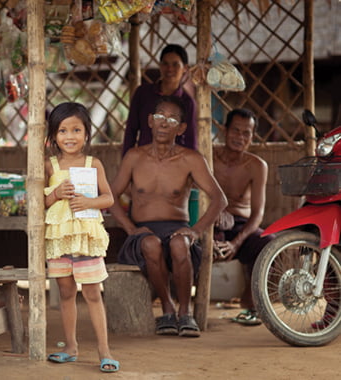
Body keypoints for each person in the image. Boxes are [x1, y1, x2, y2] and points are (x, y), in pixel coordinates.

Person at [109, 95, 227, 337]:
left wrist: (196, 230)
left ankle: (185, 313)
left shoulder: (190, 159)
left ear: (182, 128)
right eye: (160, 117)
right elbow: (110, 198)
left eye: (172, 119)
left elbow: (219, 198)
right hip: (142, 232)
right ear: (150, 121)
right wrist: (131, 229)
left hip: (177, 228)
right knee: (151, 245)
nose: (164, 123)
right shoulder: (134, 156)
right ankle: (166, 308)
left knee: (179, 244)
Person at [44, 102, 119, 373]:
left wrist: (89, 201)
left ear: (87, 133)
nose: (70, 136)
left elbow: (109, 198)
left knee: (92, 293)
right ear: (53, 136)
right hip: (59, 238)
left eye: (76, 129)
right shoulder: (49, 166)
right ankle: (71, 347)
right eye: (63, 131)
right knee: (65, 292)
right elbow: (39, 202)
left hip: (86, 235)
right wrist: (56, 194)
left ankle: (104, 350)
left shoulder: (93, 164)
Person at [212, 108, 275, 326]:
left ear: (252, 136)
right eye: (235, 131)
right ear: (224, 130)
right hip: (209, 221)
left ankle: (250, 300)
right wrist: (214, 212)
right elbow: (193, 194)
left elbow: (257, 213)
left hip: (241, 225)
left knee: (268, 242)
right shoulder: (208, 157)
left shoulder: (257, 166)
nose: (240, 137)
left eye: (246, 133)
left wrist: (235, 243)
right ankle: (186, 308)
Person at [122, 44, 197, 156]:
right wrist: (126, 161)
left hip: (174, 163)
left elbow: (190, 140)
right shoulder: (142, 93)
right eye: (165, 64)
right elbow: (131, 131)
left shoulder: (187, 102)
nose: (170, 69)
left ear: (185, 68)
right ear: (160, 66)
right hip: (144, 160)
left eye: (175, 64)